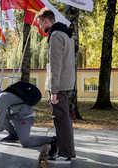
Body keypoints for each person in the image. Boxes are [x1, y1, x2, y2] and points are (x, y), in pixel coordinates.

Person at [36, 8, 75, 164]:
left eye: (40, 23)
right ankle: (68, 153)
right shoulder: (66, 34)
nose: (39, 27)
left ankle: (65, 155)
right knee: (64, 119)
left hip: (59, 86)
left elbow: (55, 65)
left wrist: (53, 90)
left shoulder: (56, 35)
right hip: (65, 83)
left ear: (46, 20)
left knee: (61, 120)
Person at [0, 86, 58, 151]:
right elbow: (2, 123)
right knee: (1, 116)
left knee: (25, 142)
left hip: (26, 117)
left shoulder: (0, 98)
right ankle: (14, 134)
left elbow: (0, 121)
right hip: (17, 117)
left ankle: (52, 140)